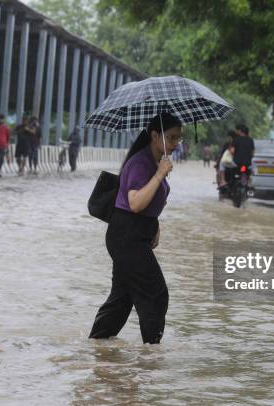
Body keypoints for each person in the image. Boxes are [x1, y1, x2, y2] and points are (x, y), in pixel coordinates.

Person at [89, 112, 182, 344]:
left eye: (178, 139)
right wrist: (160, 175)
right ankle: (151, 354)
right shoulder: (141, 163)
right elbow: (135, 203)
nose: (175, 144)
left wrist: (155, 225)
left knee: (122, 297)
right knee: (156, 293)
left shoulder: (153, 161)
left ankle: (98, 345)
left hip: (133, 233)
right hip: (126, 235)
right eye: (171, 138)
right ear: (154, 135)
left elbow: (150, 202)